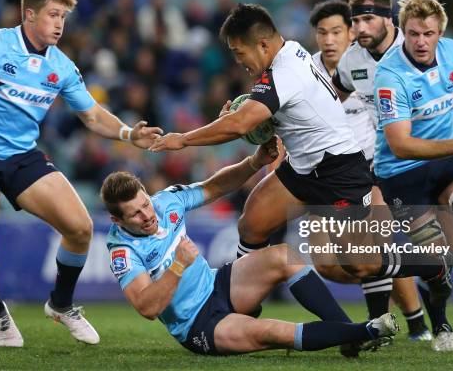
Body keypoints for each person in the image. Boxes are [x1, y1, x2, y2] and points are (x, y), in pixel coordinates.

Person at [150, 3, 453, 351]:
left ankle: (430, 265)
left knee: (360, 264)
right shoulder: (289, 52)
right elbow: (264, 113)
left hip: (340, 171)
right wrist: (249, 114)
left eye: (240, 53)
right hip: (301, 168)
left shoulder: (285, 72)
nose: (239, 62)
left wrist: (182, 139)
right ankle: (240, 307)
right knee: (252, 224)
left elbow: (241, 124)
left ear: (263, 45)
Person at [0, 0, 162, 348]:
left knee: (81, 227)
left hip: (23, 158)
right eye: (53, 15)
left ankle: (61, 304)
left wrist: (127, 135)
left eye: (64, 17)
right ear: (29, 15)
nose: (59, 24)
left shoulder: (62, 66)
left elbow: (91, 114)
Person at [334, 0, 453, 348]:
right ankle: (441, 329)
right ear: (406, 30)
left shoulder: (451, 49)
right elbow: (401, 145)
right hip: (401, 172)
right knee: (436, 264)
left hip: (448, 157)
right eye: (415, 34)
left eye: (428, 34)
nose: (421, 41)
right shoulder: (386, 74)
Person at [102, 141, 400, 356]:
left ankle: (345, 331)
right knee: (272, 332)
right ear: (117, 219)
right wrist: (178, 266)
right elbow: (147, 307)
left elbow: (215, 187)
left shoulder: (165, 202)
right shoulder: (122, 251)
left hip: (218, 286)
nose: (147, 215)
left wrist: (253, 163)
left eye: (145, 203)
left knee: (283, 255)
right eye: (136, 214)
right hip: (199, 325)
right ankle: (366, 331)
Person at [309, 0, 431, 342]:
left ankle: (413, 323)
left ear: (351, 33)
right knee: (327, 263)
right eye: (322, 32)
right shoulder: (308, 72)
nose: (329, 39)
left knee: (374, 247)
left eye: (336, 31)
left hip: (370, 172)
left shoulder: (374, 68)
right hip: (324, 177)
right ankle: (407, 283)